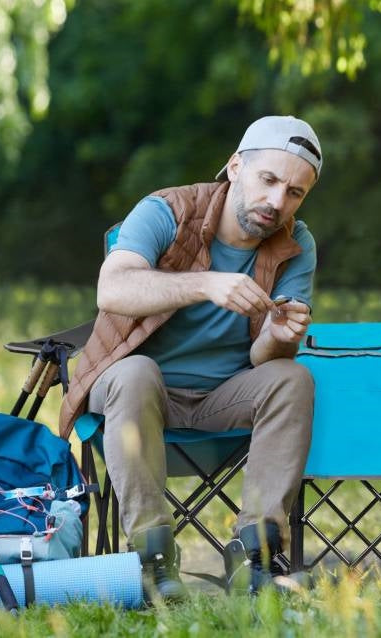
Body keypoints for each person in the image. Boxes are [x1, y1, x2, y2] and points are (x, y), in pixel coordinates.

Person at [58, 116, 322, 600]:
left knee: (292, 378)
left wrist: (280, 336)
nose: (277, 202)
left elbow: (267, 358)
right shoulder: (167, 211)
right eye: (268, 180)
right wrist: (205, 285)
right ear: (235, 166)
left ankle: (256, 560)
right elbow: (111, 289)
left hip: (223, 396)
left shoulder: (295, 243)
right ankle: (152, 560)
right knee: (137, 371)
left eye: (295, 192)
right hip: (137, 393)